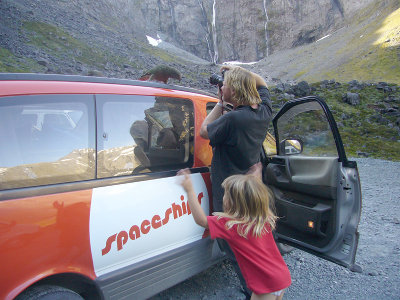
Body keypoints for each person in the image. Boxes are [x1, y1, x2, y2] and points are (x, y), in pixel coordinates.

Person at [199, 65, 273, 297]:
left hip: (230, 194)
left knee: (235, 249)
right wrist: (238, 70)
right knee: (252, 241)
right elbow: (263, 83)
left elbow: (203, 131)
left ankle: (254, 291)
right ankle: (267, 285)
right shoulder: (263, 113)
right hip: (251, 191)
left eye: (227, 83)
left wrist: (220, 103)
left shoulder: (232, 119)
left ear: (237, 89)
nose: (223, 86)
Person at [177, 169, 291, 300]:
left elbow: (201, 220)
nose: (223, 197)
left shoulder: (231, 225)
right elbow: (253, 196)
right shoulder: (261, 218)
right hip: (281, 276)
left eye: (226, 194)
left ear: (233, 202)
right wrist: (253, 179)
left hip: (265, 283)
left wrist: (189, 190)